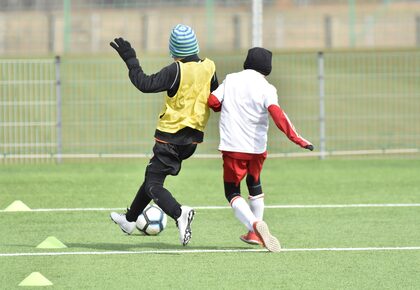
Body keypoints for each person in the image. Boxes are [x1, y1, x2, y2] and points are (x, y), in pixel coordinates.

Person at [109, 24, 218, 246]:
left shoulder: (175, 70)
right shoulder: (210, 67)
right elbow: (216, 98)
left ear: (174, 50)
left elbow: (144, 83)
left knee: (153, 184)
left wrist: (130, 59)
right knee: (152, 177)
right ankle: (130, 220)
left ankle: (180, 213)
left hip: (170, 137)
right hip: (193, 139)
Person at [208, 47, 313, 252]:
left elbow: (213, 101)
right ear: (267, 68)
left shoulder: (231, 79)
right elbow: (277, 114)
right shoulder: (267, 88)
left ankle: (254, 226)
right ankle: (253, 235)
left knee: (232, 192)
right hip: (257, 149)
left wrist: (223, 105)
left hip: (233, 147)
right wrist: (298, 139)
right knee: (254, 184)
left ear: (247, 62)